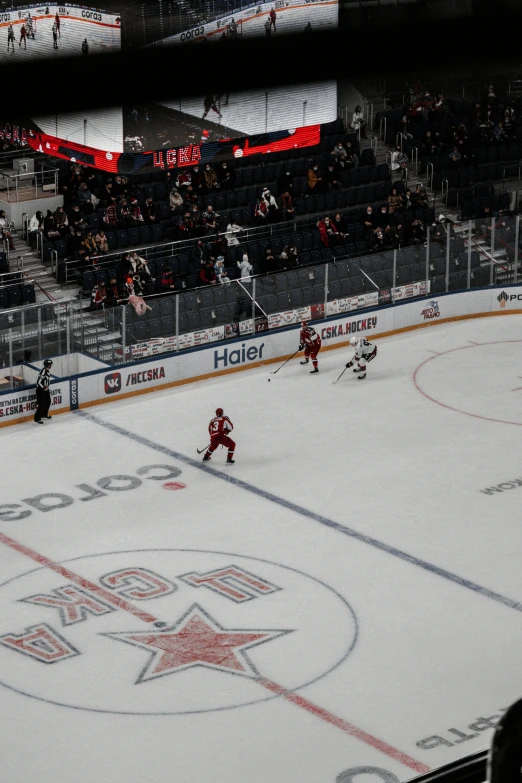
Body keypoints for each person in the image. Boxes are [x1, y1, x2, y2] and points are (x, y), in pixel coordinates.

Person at [34, 359, 53, 424]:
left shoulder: (47, 371)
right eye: (49, 365)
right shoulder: (43, 371)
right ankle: (37, 418)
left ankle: (44, 414)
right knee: (42, 405)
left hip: (46, 390)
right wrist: (44, 387)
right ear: (47, 365)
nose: (50, 366)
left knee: (48, 402)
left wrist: (47, 387)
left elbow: (47, 380)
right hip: (40, 390)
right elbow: (38, 382)